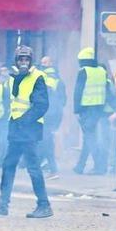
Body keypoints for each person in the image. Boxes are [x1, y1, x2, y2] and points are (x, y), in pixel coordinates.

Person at [0, 46, 52, 218]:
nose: (23, 62)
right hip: (16, 129)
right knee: (9, 165)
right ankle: (3, 203)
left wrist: (23, 121)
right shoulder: (14, 78)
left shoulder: (38, 77)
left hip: (29, 130)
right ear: (16, 60)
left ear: (31, 61)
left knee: (33, 167)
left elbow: (42, 106)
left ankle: (44, 205)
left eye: (26, 60)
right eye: (20, 59)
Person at [73, 47, 107, 175]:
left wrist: (76, 110)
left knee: (90, 137)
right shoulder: (101, 71)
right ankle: (80, 166)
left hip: (86, 108)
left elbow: (78, 92)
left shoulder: (83, 71)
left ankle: (99, 167)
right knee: (89, 137)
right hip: (99, 107)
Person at [37, 56, 66, 179]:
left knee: (45, 141)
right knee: (45, 140)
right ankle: (44, 164)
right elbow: (63, 99)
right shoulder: (58, 79)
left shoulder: (40, 78)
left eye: (44, 62)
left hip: (45, 114)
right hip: (54, 114)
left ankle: (52, 168)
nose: (42, 64)